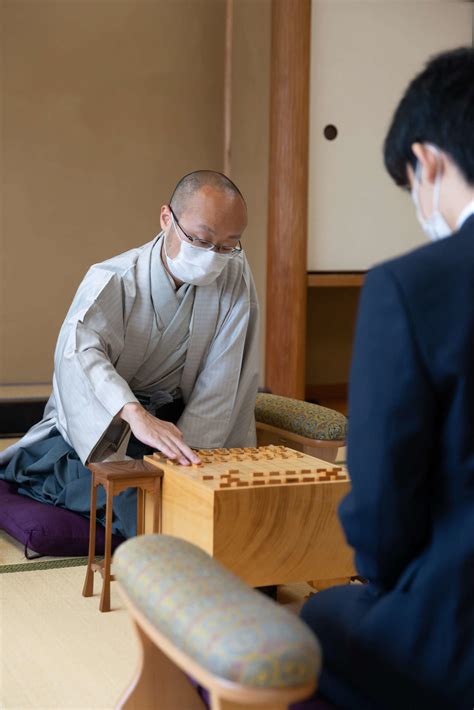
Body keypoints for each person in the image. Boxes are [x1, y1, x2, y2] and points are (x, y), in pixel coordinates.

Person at [301, 47, 474, 709]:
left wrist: (383, 580)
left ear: (427, 160)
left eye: (412, 186)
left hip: (457, 631)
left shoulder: (410, 286)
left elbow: (380, 514)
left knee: (319, 619)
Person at [0, 171, 259, 538]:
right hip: (109, 424)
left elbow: (226, 371)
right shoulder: (115, 278)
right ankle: (37, 467)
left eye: (227, 245)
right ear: (167, 218)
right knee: (142, 509)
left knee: (209, 505)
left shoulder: (233, 273)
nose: (213, 256)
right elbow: (81, 354)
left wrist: (190, 462)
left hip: (175, 423)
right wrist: (132, 412)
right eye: (202, 240)